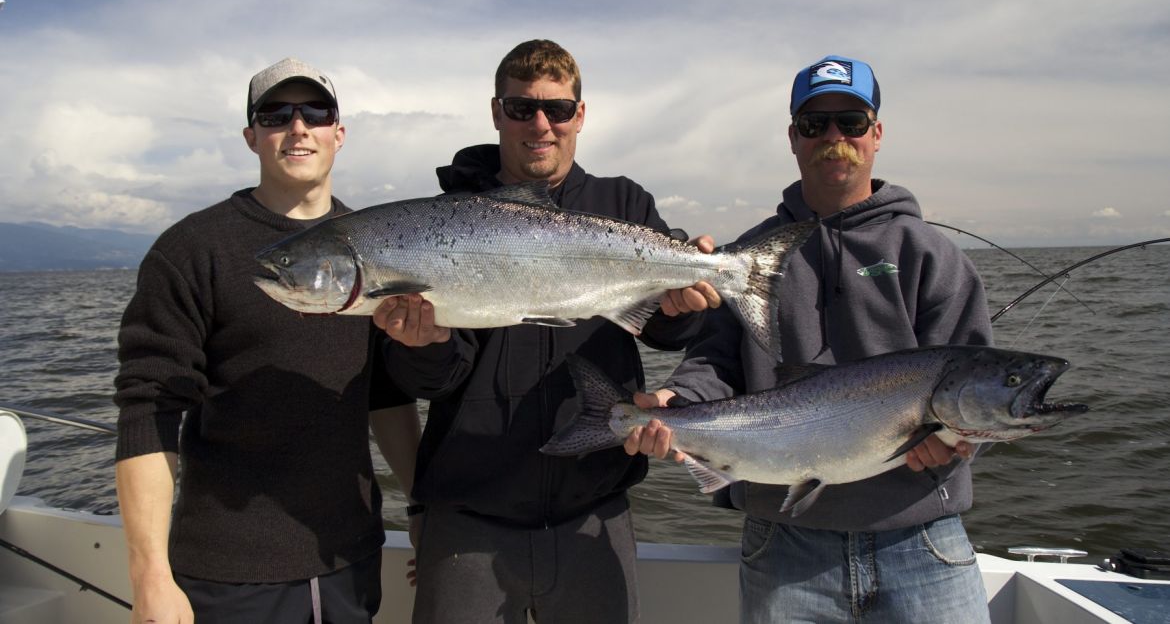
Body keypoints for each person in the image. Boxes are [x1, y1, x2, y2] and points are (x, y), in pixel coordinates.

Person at [626, 55, 994, 623]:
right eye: (814, 124)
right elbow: (716, 360)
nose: (833, 137)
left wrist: (958, 442)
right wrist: (681, 402)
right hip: (783, 544)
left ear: (877, 133)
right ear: (792, 138)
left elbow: (977, 389)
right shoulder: (745, 256)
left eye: (850, 121)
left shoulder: (931, 255)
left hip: (920, 537)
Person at [371, 39, 719, 624]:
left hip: (595, 511)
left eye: (557, 110)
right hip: (468, 521)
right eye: (520, 108)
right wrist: (422, 344)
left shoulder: (623, 203)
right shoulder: (442, 223)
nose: (540, 124)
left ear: (579, 115)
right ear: (495, 112)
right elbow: (441, 373)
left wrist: (687, 307)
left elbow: (661, 330)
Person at [113, 58, 422, 624]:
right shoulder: (191, 249)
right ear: (251, 136)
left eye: (316, 112)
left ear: (339, 132)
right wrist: (150, 576)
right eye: (276, 114)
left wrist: (422, 508)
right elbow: (148, 410)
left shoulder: (382, 245)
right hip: (226, 571)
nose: (298, 127)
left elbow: (387, 397)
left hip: (350, 557)